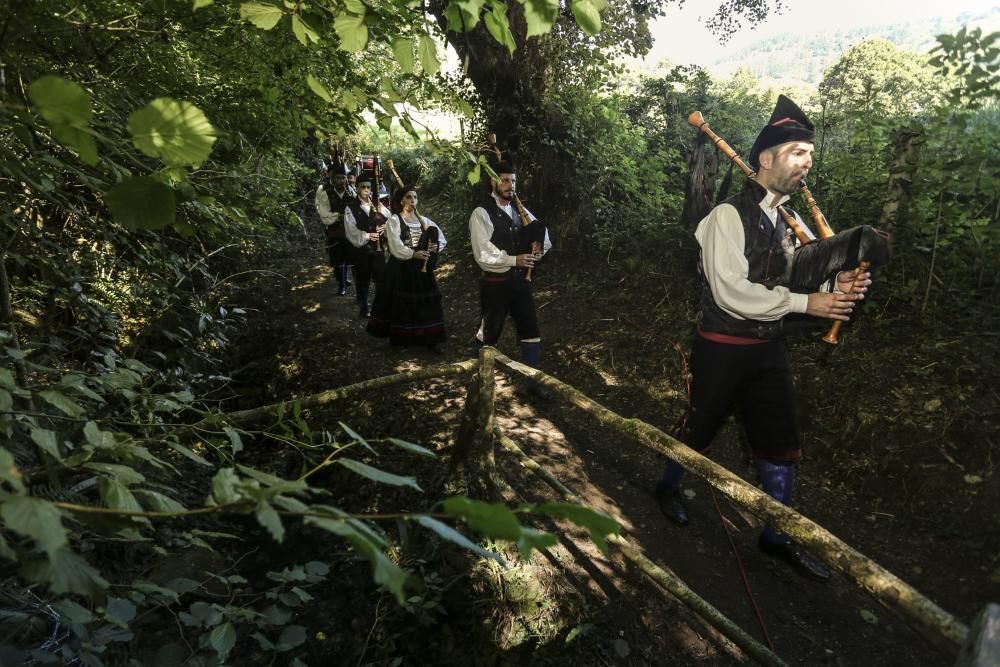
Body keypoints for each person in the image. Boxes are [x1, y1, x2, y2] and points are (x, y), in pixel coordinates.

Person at [654, 95, 874, 582]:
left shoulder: (785, 224)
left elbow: (791, 284)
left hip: (769, 351)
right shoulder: (725, 217)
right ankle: (669, 485)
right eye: (798, 153)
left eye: (810, 156)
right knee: (700, 425)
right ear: (766, 158)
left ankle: (776, 536)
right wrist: (806, 304)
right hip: (722, 348)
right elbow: (733, 292)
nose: (807, 164)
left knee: (780, 442)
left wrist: (836, 289)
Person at [469, 156, 552, 394]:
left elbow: (544, 239)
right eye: (505, 181)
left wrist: (536, 252)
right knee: (489, 331)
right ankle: (478, 378)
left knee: (530, 331)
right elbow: (482, 252)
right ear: (493, 183)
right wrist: (512, 259)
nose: (510, 185)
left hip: (520, 284)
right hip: (495, 284)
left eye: (513, 181)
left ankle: (532, 384)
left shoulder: (521, 211)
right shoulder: (481, 213)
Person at [366, 184, 448, 348]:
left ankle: (429, 339)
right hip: (401, 269)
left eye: (415, 197)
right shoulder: (395, 220)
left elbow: (440, 238)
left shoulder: (423, 220)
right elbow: (395, 247)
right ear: (401, 201)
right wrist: (413, 254)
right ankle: (401, 339)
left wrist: (433, 247)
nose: (413, 201)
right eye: (409, 197)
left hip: (421, 270)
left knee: (425, 304)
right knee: (402, 304)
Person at [345, 174, 391, 318]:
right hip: (361, 250)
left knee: (381, 278)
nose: (365, 190)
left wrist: (384, 227)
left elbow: (391, 220)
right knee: (363, 279)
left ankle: (380, 307)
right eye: (362, 187)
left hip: (378, 250)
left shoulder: (378, 205)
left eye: (368, 187)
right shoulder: (350, 208)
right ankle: (364, 307)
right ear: (357, 188)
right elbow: (350, 230)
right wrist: (367, 236)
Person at [315, 161, 356, 295]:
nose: (341, 180)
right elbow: (324, 213)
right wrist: (338, 216)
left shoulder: (351, 193)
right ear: (332, 179)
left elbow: (358, 209)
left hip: (349, 231)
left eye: (343, 178)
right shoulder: (325, 194)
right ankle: (341, 285)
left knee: (349, 257)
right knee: (338, 257)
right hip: (334, 231)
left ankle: (346, 282)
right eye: (338, 178)